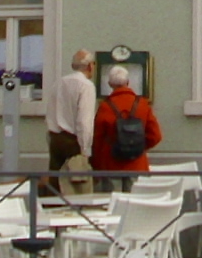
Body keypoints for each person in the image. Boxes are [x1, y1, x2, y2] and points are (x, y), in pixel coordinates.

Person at [87, 63, 160, 189]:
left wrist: (96, 165)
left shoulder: (105, 106)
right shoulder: (142, 104)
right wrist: (138, 146)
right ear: (128, 82)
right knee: (136, 204)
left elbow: (98, 139)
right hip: (137, 164)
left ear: (110, 84)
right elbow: (156, 135)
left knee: (112, 203)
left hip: (110, 164)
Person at [46, 50, 97, 194]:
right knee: (77, 188)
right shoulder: (86, 86)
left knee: (55, 185)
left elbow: (50, 112)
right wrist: (86, 149)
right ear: (90, 66)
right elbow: (84, 121)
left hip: (55, 138)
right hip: (74, 141)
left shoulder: (59, 83)